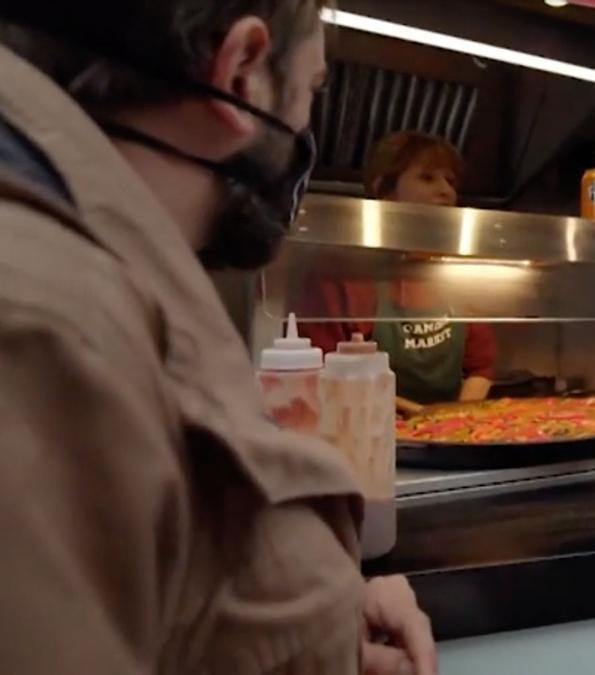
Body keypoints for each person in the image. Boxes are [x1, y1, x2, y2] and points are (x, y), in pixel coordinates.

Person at [0, 3, 433, 674]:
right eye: (312, 90)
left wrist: (322, 621)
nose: (307, 128)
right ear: (241, 76)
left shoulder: (89, 272)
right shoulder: (47, 328)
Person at [301, 131, 495, 403]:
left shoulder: (459, 272)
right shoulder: (344, 274)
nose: (446, 191)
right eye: (427, 177)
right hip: (365, 426)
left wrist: (458, 422)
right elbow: (327, 371)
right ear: (385, 191)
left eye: (450, 181)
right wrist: (419, 420)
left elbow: (480, 367)